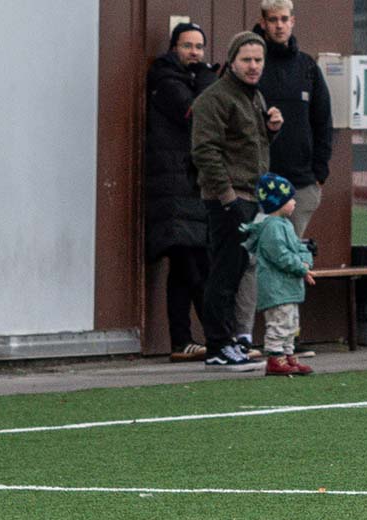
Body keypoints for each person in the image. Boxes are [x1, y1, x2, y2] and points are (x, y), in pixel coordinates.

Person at [232, 0, 334, 356]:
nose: (279, 26)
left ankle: (287, 339)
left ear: (293, 21)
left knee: (293, 261)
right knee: (252, 263)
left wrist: (320, 173)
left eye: (284, 19)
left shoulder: (307, 67)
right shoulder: (252, 65)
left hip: (301, 185)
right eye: (272, 20)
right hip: (257, 183)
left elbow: (323, 122)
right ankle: (243, 337)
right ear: (262, 22)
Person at [191, 31, 282, 370]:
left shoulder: (254, 97)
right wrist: (228, 199)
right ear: (231, 61)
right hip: (228, 199)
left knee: (237, 270)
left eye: (258, 60)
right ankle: (217, 345)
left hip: (251, 195)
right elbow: (205, 151)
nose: (254, 66)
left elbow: (250, 148)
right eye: (246, 60)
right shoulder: (215, 98)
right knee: (224, 272)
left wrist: (271, 130)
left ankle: (229, 341)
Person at [144, 22, 219, 362]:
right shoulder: (166, 80)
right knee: (193, 268)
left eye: (199, 47)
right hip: (174, 190)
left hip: (190, 190)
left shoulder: (189, 79)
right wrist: (207, 76)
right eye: (188, 46)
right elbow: (196, 112)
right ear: (174, 47)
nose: (195, 53)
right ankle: (220, 338)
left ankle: (182, 341)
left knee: (183, 269)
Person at [240, 173, 316, 376]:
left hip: (289, 287)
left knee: (291, 324)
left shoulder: (285, 225)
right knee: (279, 323)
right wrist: (301, 268)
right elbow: (280, 255)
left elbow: (298, 247)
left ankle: (288, 355)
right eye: (290, 199)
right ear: (278, 202)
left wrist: (306, 260)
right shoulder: (271, 227)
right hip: (276, 287)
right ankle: (275, 357)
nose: (294, 202)